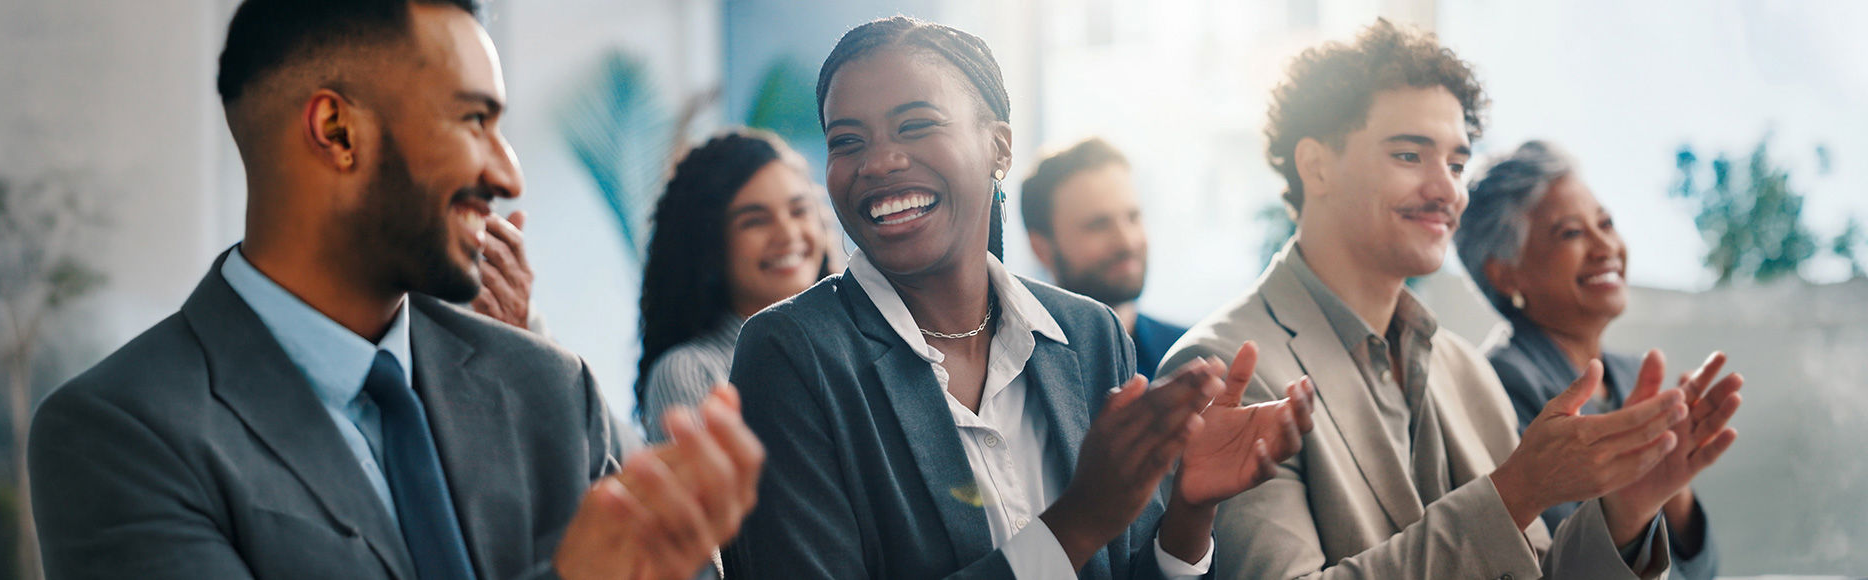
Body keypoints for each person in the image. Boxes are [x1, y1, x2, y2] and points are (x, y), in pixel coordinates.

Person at [27, 1, 762, 579]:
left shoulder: (549, 389)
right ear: (338, 131)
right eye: (474, 120)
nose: (509, 176)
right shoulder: (119, 433)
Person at [723, 16, 1315, 579]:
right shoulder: (793, 353)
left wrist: (1189, 513)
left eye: (915, 125)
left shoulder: (1088, 334)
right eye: (846, 141)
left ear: (999, 149)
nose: (878, 162)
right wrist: (1078, 521)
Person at [1161, 19, 1742, 579]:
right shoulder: (1224, 369)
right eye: (1410, 155)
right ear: (1316, 166)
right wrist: (1516, 492)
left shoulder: (1466, 372)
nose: (1446, 190)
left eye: (1457, 163)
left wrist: (1628, 513)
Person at [1457, 140, 1727, 579]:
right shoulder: (1498, 384)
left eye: (1606, 223)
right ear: (1504, 272)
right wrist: (1640, 498)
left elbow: (1703, 571)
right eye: (1571, 233)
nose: (1606, 246)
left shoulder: (1633, 376)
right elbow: (1559, 565)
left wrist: (1674, 488)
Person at [636, 129, 833, 442]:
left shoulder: (856, 340)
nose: (787, 233)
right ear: (709, 245)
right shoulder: (691, 371)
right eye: (755, 220)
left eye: (799, 211)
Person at [1021, 137, 1187, 379]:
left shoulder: (1190, 357)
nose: (1127, 242)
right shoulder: (1020, 376)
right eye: (1098, 225)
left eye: (1133, 217)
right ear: (1041, 249)